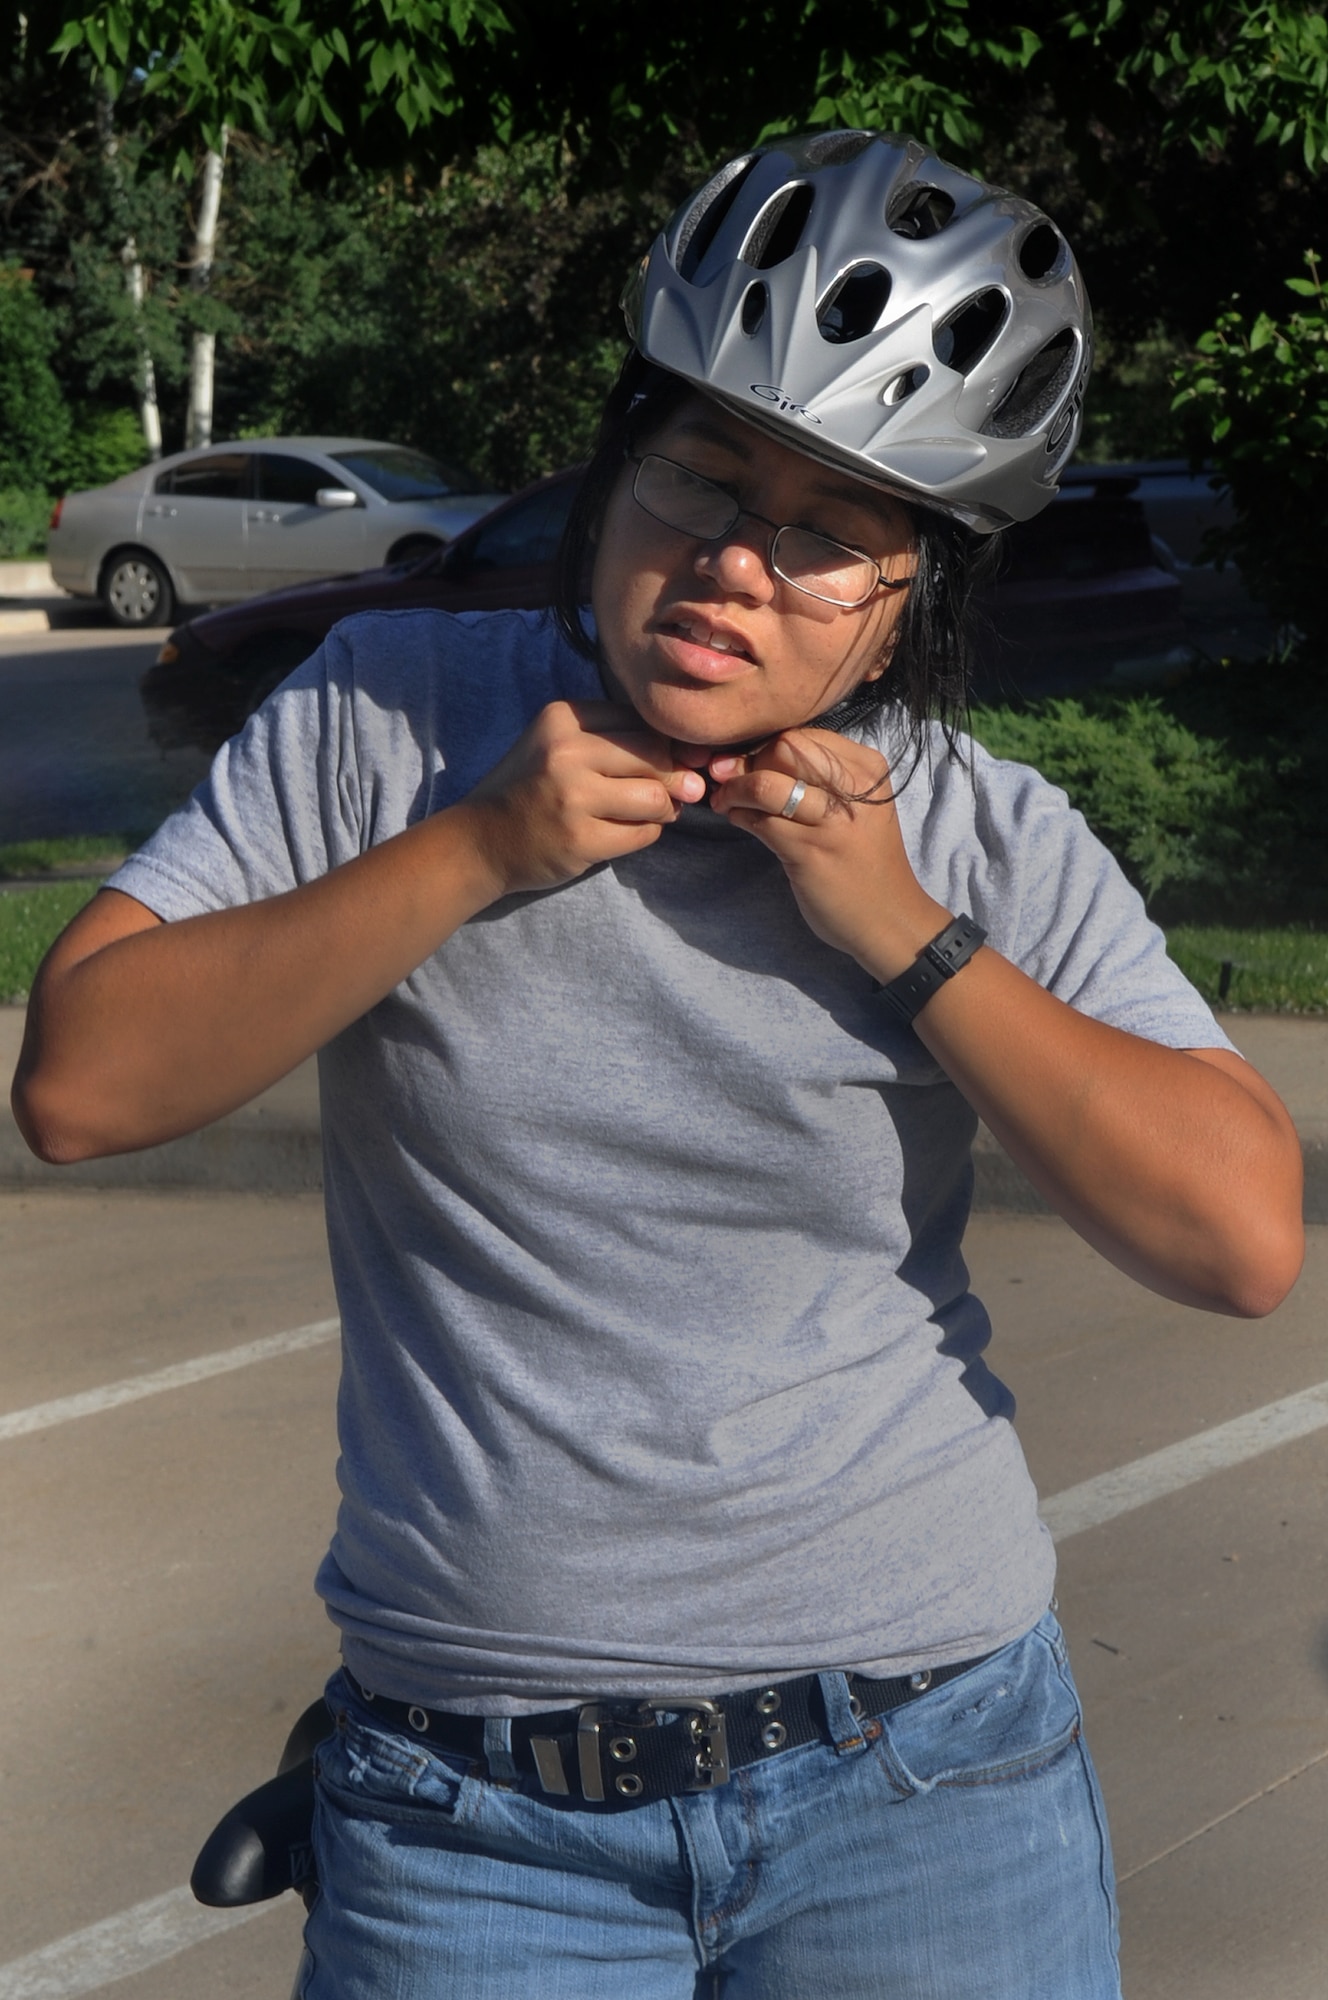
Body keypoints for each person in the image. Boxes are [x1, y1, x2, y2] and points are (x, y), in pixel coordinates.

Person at [12, 130, 1302, 1998]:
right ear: (613, 470)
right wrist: (471, 854)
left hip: (922, 1773)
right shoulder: (391, 717)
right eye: (698, 476)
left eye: (826, 532)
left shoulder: (976, 829)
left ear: (911, 593)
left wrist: (903, 930)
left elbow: (1243, 1235)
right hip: (471, 1818)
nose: (732, 565)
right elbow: (80, 1086)